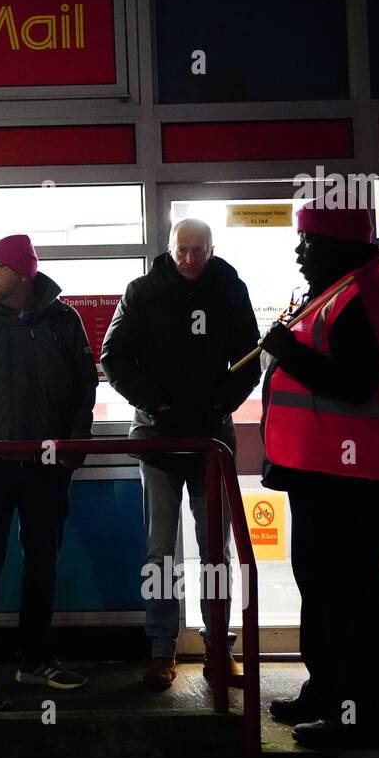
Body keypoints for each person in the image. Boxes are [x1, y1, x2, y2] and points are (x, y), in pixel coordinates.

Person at [258, 201, 379, 750]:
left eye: (308, 242)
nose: (298, 253)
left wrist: (286, 351)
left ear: (337, 245)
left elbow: (355, 383)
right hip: (319, 472)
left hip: (351, 475)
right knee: (320, 591)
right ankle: (326, 692)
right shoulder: (334, 293)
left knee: (350, 598)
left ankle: (362, 719)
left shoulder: (365, 296)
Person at [101, 219, 261, 691]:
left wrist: (218, 404)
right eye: (182, 250)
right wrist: (156, 403)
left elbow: (250, 356)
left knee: (216, 550)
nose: (190, 259)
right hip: (157, 437)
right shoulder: (142, 291)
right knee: (160, 553)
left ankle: (218, 649)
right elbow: (113, 357)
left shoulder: (230, 288)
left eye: (198, 250)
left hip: (211, 438)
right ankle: (160, 649)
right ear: (168, 248)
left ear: (213, 248)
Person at [0, 234, 98, 710]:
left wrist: (70, 452)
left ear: (24, 272)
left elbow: (83, 388)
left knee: (42, 564)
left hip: (47, 469)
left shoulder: (63, 321)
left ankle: (35, 659)